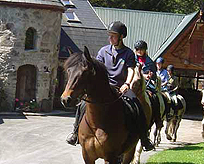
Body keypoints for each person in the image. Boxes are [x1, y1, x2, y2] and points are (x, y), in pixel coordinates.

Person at [66, 21, 154, 151]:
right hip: (105, 87)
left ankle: (144, 138)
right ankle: (75, 133)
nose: (110, 38)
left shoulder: (128, 53)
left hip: (121, 87)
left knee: (136, 105)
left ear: (121, 37)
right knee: (83, 105)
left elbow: (131, 70)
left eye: (113, 35)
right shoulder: (103, 51)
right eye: (110, 35)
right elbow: (98, 69)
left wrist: (127, 84)